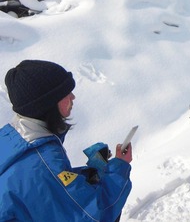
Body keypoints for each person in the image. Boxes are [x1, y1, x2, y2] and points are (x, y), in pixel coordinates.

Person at [0, 60, 133, 221]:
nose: (73, 97)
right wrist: (119, 168)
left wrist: (92, 173)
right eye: (65, 93)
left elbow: (45, 188)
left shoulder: (10, 139)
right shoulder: (44, 162)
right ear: (46, 104)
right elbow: (95, 215)